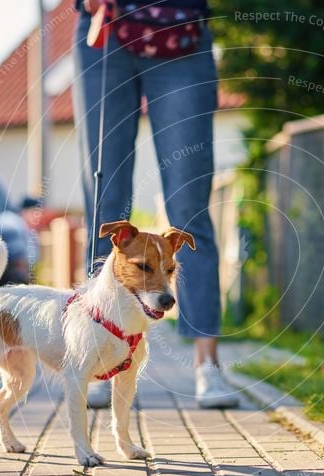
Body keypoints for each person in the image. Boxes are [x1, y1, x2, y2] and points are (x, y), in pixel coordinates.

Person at [72, 0, 238, 409]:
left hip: (182, 33)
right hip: (105, 30)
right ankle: (98, 361)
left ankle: (207, 364)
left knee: (189, 206)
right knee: (105, 206)